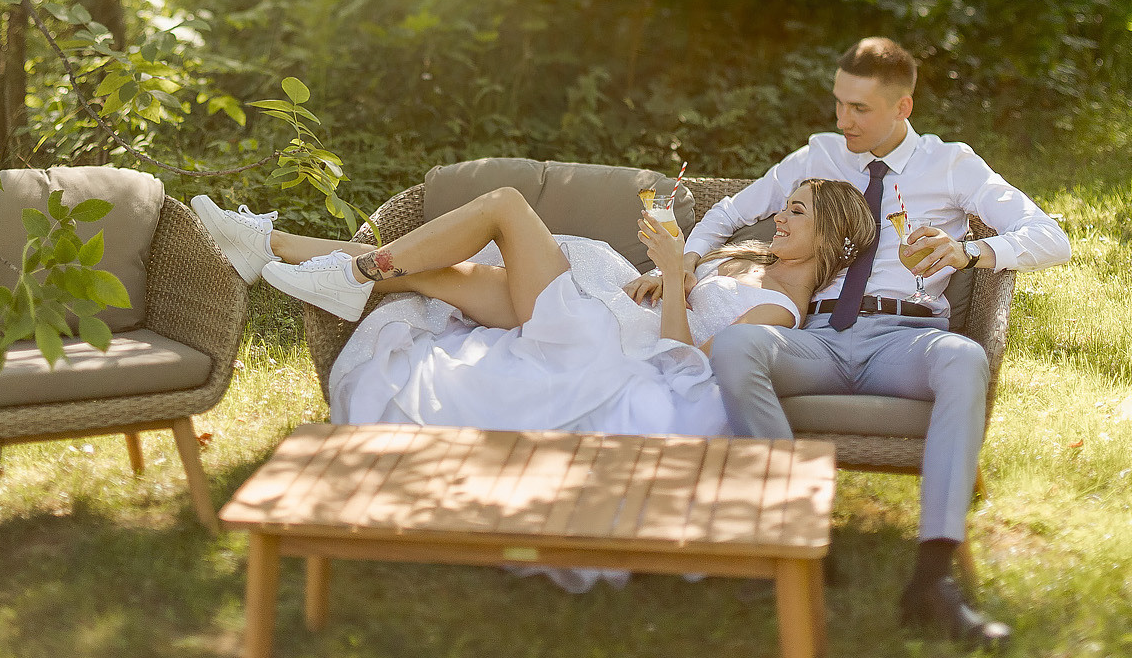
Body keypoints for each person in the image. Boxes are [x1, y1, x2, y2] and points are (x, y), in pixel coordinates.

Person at [631, 35, 1070, 648]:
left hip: (905, 339)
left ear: (903, 107)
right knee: (735, 347)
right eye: (839, 103)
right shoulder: (819, 155)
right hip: (820, 339)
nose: (844, 120)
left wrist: (969, 251)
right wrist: (686, 264)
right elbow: (729, 212)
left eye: (860, 108)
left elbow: (1051, 237)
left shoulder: (951, 164)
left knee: (964, 360)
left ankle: (932, 581)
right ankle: (800, 536)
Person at [190, 177, 875, 446]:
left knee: (505, 206)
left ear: (833, 238)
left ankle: (356, 272)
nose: (780, 218)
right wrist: (664, 276)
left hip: (606, 341)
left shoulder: (780, 312)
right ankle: (265, 245)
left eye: (797, 213)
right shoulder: (747, 260)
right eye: (785, 207)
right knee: (433, 275)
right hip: (608, 302)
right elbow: (679, 292)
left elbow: (687, 361)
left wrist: (672, 276)